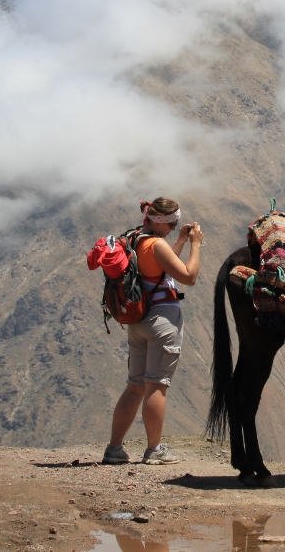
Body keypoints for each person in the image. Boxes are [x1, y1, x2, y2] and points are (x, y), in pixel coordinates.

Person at [102, 197, 203, 466]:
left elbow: (160, 269)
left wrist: (179, 242)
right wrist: (195, 244)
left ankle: (114, 449)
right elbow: (188, 277)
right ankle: (154, 449)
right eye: (172, 224)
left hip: (139, 321)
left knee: (135, 385)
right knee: (157, 386)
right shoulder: (157, 244)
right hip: (162, 322)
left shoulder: (136, 239)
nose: (173, 229)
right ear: (163, 221)